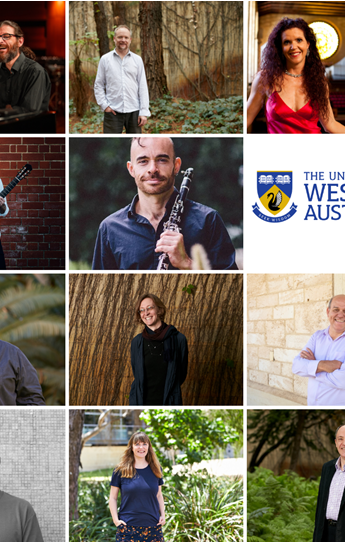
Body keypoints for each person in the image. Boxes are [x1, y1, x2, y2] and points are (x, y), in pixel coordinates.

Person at [91, 137, 238, 270]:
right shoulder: (110, 229)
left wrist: (187, 263)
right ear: (131, 169)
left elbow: (234, 290)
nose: (153, 169)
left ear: (176, 165)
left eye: (162, 160)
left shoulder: (208, 221)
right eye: (143, 161)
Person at [246, 17, 345, 134]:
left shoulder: (319, 82)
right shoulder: (265, 78)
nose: (293, 47)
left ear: (308, 44)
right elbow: (245, 120)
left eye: (299, 40)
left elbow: (331, 125)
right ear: (281, 48)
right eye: (287, 42)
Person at [291, 295, 345, 406]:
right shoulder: (317, 337)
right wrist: (323, 365)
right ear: (328, 312)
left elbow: (343, 381)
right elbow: (296, 366)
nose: (340, 315)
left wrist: (313, 368)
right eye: (336, 310)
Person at [129, 293, 188, 405]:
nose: (145, 313)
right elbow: (137, 373)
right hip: (140, 402)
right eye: (141, 310)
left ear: (159, 310)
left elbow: (181, 374)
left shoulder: (178, 339)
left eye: (149, 308)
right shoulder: (137, 342)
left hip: (169, 401)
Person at [109, 431, 166, 543]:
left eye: (144, 444)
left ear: (149, 447)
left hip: (153, 527)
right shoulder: (120, 471)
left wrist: (163, 515)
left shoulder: (156, 469)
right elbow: (113, 498)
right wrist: (116, 520)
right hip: (128, 528)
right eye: (137, 444)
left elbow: (159, 495)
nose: (141, 447)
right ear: (131, 447)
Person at [0, 20, 51, 113]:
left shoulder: (35, 72)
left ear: (20, 41)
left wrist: (4, 110)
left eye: (6, 36)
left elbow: (29, 112)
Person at [95, 25, 151, 134]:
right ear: (114, 39)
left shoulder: (137, 60)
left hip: (134, 111)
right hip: (113, 111)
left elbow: (142, 86)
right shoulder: (105, 59)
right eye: (120, 37)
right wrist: (105, 106)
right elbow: (99, 85)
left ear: (130, 40)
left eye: (126, 37)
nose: (123, 40)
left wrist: (143, 111)